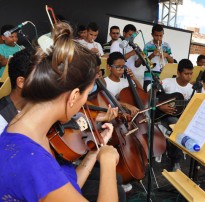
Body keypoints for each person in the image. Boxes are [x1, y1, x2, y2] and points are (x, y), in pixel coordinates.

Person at [0, 22, 119, 201]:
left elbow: (64, 188)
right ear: (74, 96)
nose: (85, 103)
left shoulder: (23, 128)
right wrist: (108, 163)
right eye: (87, 94)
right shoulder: (34, 160)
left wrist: (95, 152)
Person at [156, 59, 194, 171]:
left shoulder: (192, 89)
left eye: (191, 73)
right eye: (186, 73)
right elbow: (150, 94)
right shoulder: (167, 82)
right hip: (164, 115)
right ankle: (175, 161)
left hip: (182, 116)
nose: (189, 76)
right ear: (178, 72)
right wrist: (159, 106)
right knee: (176, 126)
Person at [104, 51, 142, 116]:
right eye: (118, 66)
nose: (121, 69)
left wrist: (134, 79)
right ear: (109, 67)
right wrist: (127, 105)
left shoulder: (126, 81)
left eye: (123, 66)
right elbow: (106, 101)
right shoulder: (104, 82)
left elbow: (141, 93)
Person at [143, 24, 174, 91]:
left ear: (163, 34)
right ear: (152, 35)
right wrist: (152, 55)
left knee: (161, 97)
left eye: (161, 36)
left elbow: (172, 61)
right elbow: (143, 63)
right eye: (156, 35)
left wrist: (167, 55)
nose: (159, 38)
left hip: (163, 75)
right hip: (149, 75)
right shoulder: (147, 45)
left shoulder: (166, 46)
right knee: (148, 95)